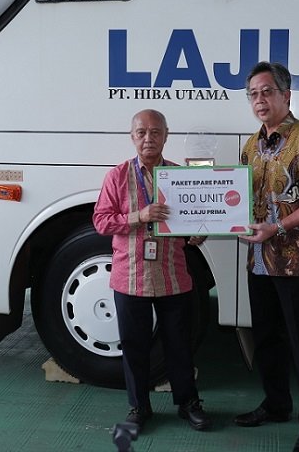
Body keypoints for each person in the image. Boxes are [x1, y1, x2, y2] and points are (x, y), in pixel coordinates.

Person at [235, 62, 299, 452]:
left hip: (298, 262)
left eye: (267, 92)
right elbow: (237, 198)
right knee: (267, 339)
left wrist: (277, 227)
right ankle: (276, 404)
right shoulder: (250, 145)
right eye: (253, 94)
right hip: (259, 260)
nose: (259, 100)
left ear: (286, 95)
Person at [92, 109, 211, 433]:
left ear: (166, 136)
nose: (149, 138)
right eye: (142, 132)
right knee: (134, 347)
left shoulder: (180, 177)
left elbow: (194, 222)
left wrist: (199, 232)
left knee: (180, 345)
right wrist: (139, 216)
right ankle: (138, 407)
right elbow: (101, 221)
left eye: (156, 132)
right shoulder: (117, 176)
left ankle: (188, 403)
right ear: (132, 137)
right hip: (130, 277)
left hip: (173, 275)